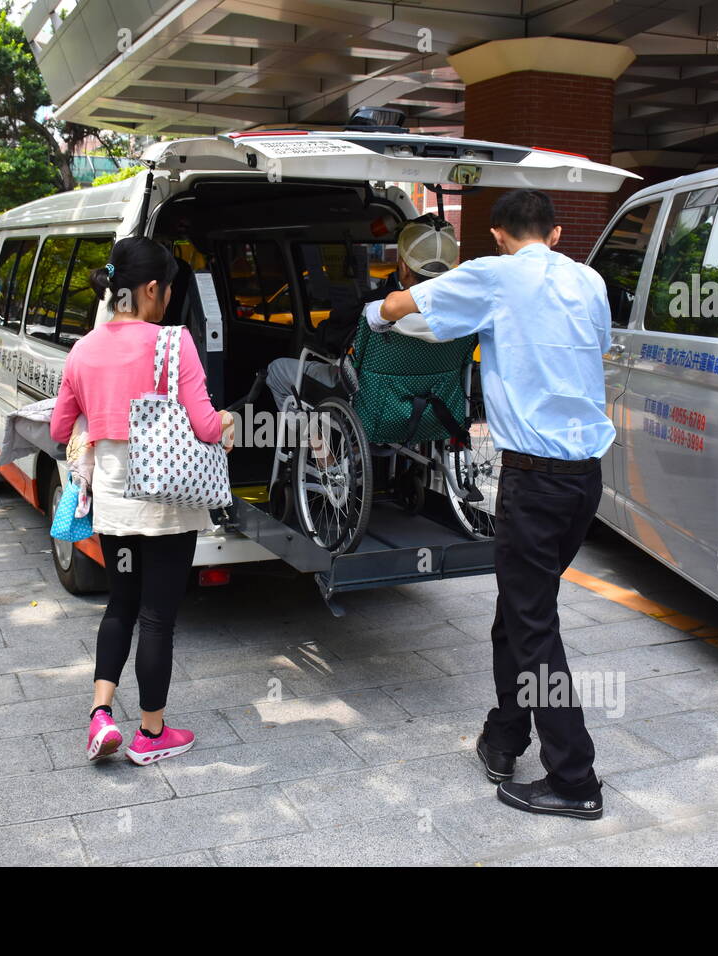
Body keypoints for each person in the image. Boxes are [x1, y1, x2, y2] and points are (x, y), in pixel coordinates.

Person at [375, 189, 614, 820]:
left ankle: (574, 778)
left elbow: (403, 305)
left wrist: (374, 311)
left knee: (533, 623)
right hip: (584, 478)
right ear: (557, 233)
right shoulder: (589, 281)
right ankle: (505, 738)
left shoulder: (492, 274)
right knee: (521, 608)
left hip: (534, 480)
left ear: (498, 233)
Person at [50, 237, 235, 767]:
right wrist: (227, 422)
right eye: (168, 288)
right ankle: (152, 734)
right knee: (157, 617)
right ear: (152, 289)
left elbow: (61, 426)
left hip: (113, 506)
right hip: (167, 507)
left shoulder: (84, 349)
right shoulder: (174, 344)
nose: (169, 299)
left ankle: (101, 715)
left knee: (121, 604)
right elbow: (203, 423)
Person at [263, 218, 458, 414]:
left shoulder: (376, 307)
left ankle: (308, 439)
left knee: (277, 369)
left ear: (404, 267)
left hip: (369, 399)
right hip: (434, 401)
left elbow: (330, 338)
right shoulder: (461, 313)